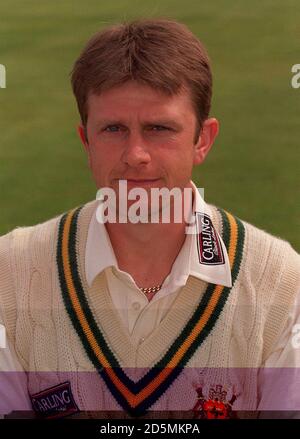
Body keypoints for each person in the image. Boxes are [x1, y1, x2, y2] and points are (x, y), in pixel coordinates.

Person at [0, 18, 299, 420]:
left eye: (159, 128)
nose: (136, 154)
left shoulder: (283, 283)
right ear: (86, 141)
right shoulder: (11, 272)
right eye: (113, 129)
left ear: (203, 140)